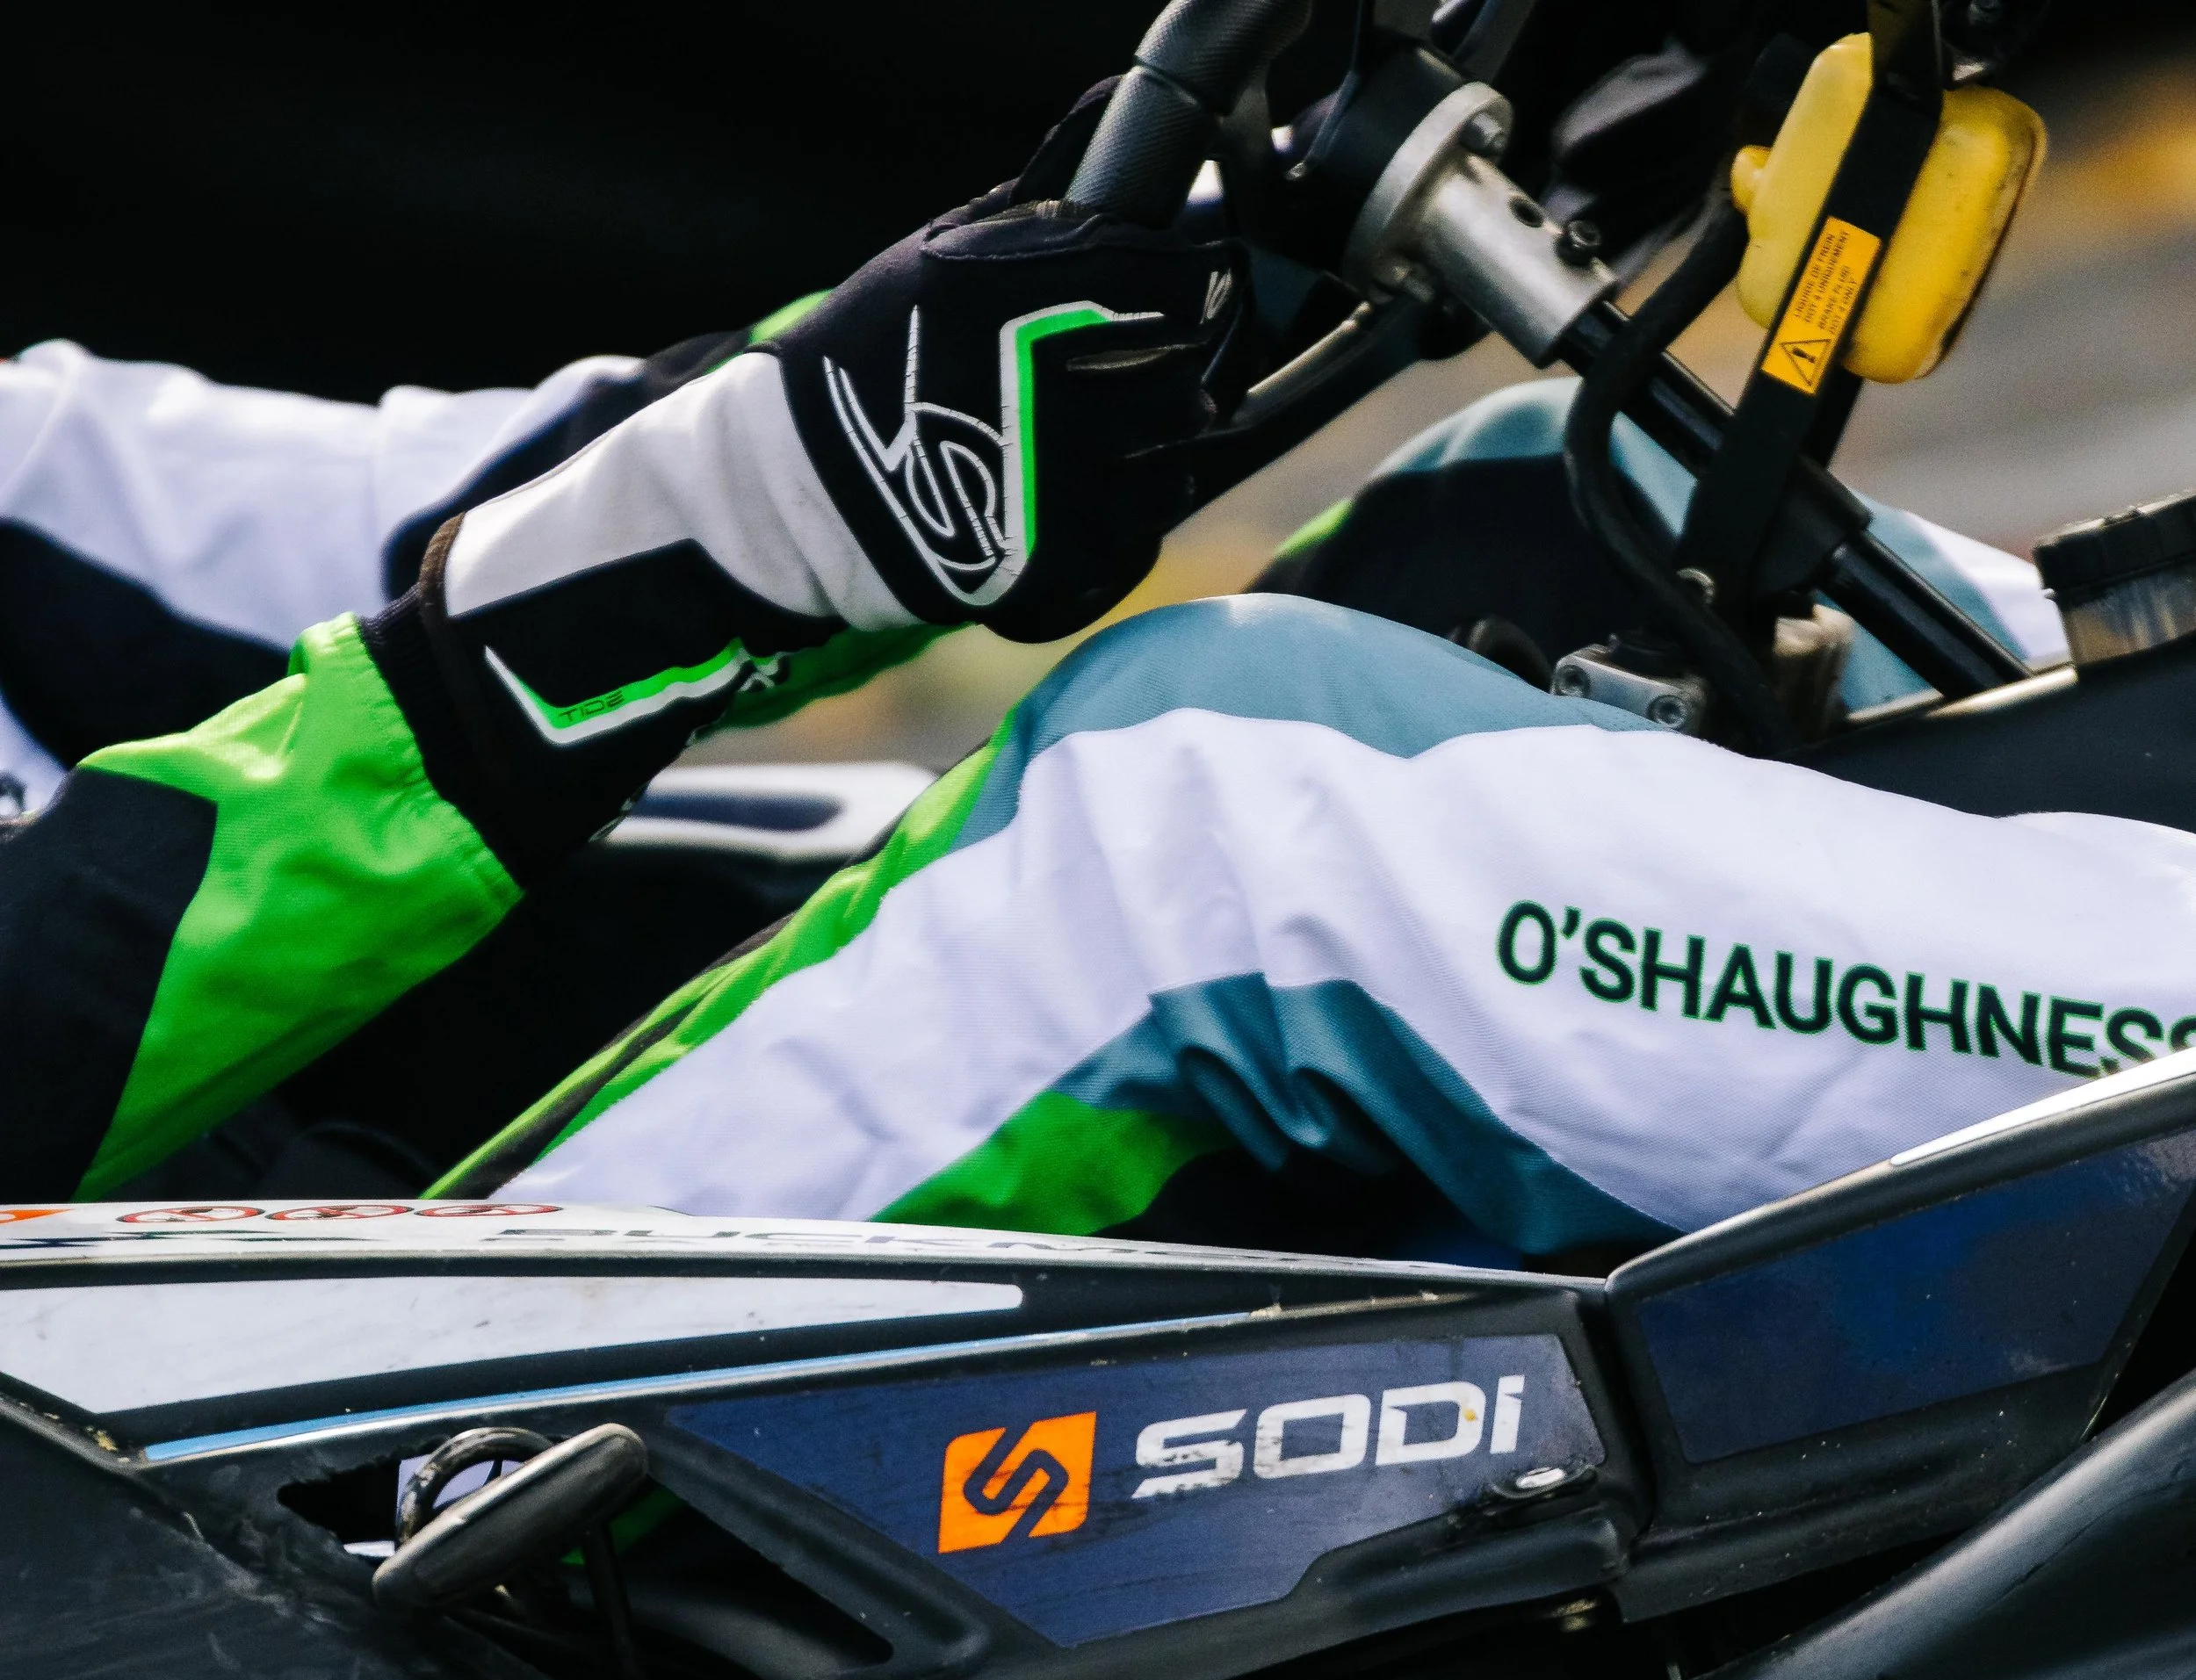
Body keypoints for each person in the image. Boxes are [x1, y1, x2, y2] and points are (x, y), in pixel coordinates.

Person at [0, 97, 2189, 1265]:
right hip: (189, 1538)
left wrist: (1161, 241)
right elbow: (519, 619)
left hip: (326, 1281)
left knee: (1541, 525)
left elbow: (441, 528)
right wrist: (678, 561)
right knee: (1204, 834)